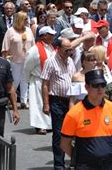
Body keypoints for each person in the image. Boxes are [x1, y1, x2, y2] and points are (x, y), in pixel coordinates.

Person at [60, 69, 112, 169]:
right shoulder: (74, 113)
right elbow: (64, 143)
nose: (100, 89)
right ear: (86, 87)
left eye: (103, 85)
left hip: (109, 164)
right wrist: (78, 158)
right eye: (95, 85)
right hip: (85, 165)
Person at [41, 38, 76, 170]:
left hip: (71, 101)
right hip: (57, 100)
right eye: (67, 50)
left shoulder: (70, 60)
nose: (69, 52)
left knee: (73, 133)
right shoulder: (50, 61)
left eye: (71, 49)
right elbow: (45, 84)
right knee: (59, 133)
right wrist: (46, 104)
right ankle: (59, 165)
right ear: (59, 48)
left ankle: (73, 162)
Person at [24, 26, 56, 135]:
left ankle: (48, 124)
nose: (53, 37)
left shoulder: (51, 47)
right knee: (38, 103)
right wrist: (28, 79)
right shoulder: (34, 49)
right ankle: (39, 126)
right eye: (50, 35)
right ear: (44, 36)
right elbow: (28, 66)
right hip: (38, 79)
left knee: (47, 102)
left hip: (49, 80)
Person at [2, 11, 35, 109]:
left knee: (25, 81)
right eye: (25, 19)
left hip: (27, 60)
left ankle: (24, 101)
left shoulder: (28, 30)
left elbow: (33, 45)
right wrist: (5, 60)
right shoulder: (11, 31)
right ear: (20, 20)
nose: (27, 21)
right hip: (14, 60)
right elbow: (5, 46)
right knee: (15, 81)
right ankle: (8, 100)